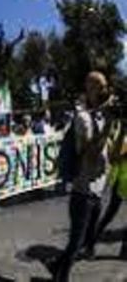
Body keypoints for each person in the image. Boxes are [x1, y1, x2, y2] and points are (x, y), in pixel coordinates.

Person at [49, 72, 121, 282]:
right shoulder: (83, 117)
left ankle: (55, 266)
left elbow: (114, 156)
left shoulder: (103, 118)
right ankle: (61, 276)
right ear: (89, 89)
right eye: (100, 86)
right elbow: (89, 154)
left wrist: (120, 125)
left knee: (83, 240)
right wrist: (108, 124)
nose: (105, 91)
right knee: (76, 242)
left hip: (98, 191)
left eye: (106, 86)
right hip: (83, 191)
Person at [81, 121, 126, 259]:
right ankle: (90, 245)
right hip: (121, 180)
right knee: (109, 215)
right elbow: (114, 157)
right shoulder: (122, 133)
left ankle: (124, 250)